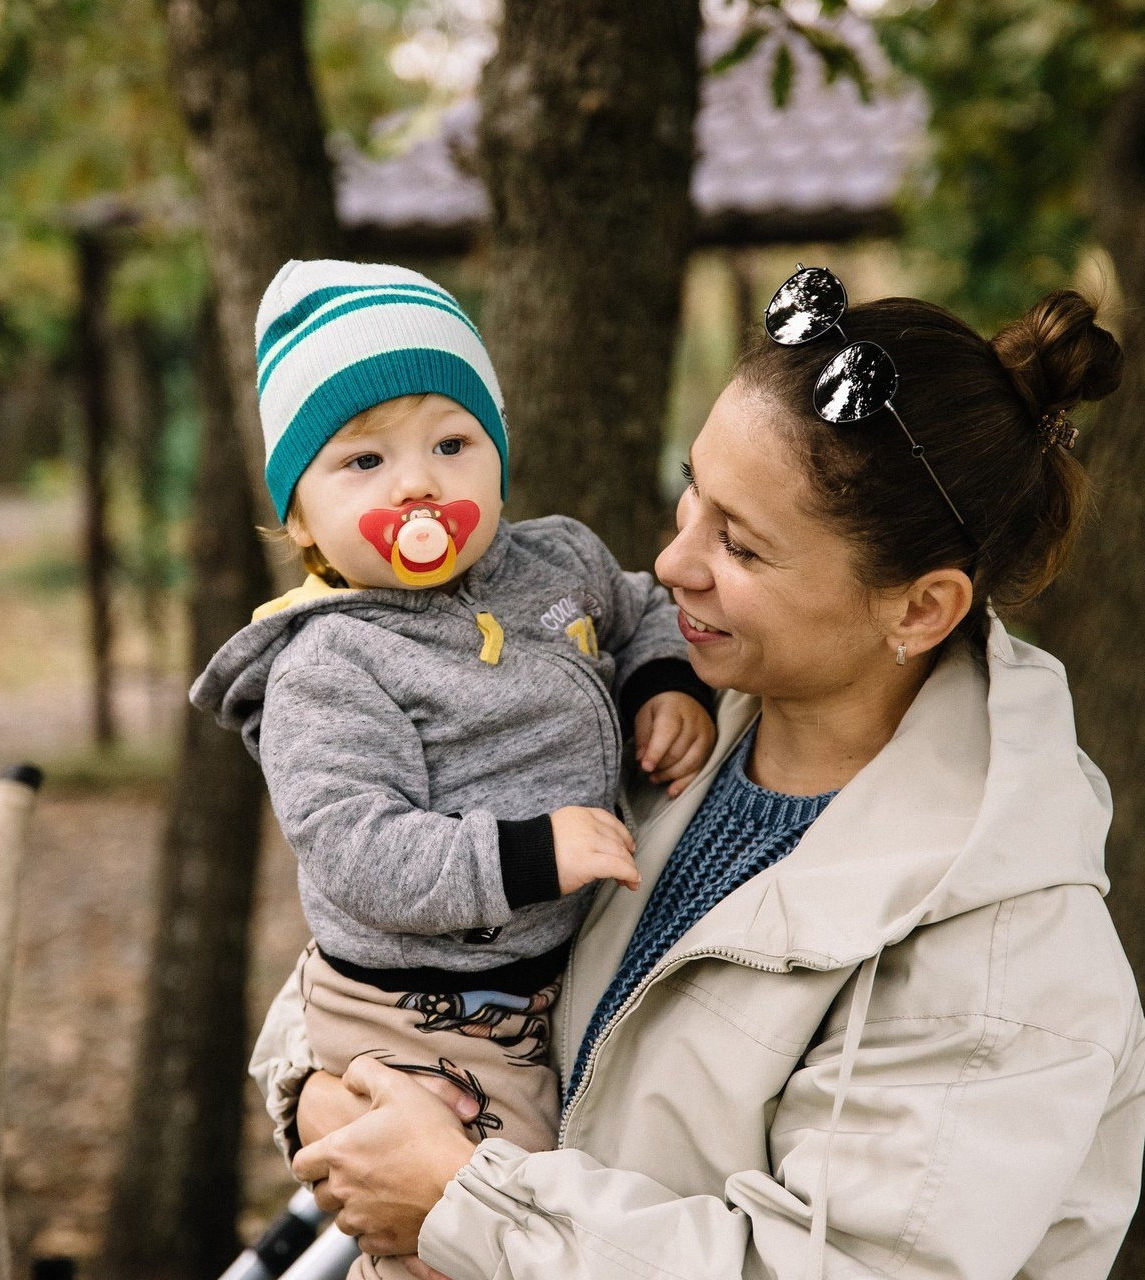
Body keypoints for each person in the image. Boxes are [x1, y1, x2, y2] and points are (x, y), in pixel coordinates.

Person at [283, 265, 1145, 1280]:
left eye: (737, 542)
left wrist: (464, 1202)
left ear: (919, 607)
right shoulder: (651, 719)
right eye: (692, 491)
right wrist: (315, 1088)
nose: (672, 560)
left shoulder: (1003, 953)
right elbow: (383, 925)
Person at [190, 259, 717, 1274]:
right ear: (299, 522)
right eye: (362, 462)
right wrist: (526, 854)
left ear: (496, 453)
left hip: (539, 987)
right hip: (420, 1015)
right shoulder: (332, 664)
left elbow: (644, 602)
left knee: (549, 1214)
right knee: (455, 1239)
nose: (418, 481)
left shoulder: (555, 561)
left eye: (449, 440)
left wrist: (664, 683)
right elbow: (357, 851)